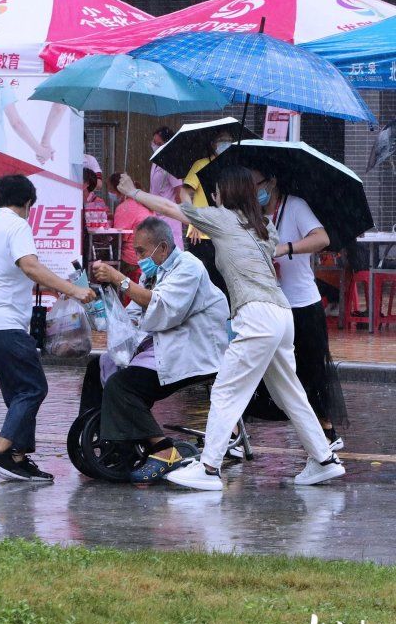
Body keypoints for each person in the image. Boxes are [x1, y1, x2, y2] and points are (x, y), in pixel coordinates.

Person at [116, 166, 345, 491]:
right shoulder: (264, 226)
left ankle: (208, 468)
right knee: (290, 393)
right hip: (281, 315)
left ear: (229, 194)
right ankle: (324, 460)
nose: (214, 195)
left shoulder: (224, 219)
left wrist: (133, 191)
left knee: (225, 390)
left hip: (256, 316)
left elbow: (172, 209)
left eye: (218, 190)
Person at [0, 174, 95, 482]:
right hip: (5, 325)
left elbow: (25, 269)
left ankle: (18, 457)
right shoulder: (17, 225)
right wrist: (74, 289)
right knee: (33, 388)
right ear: (28, 203)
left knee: (19, 393)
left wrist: (61, 287)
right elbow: (30, 266)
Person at [91, 216, 229, 483]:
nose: (138, 256)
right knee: (99, 367)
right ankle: (107, 436)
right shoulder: (151, 273)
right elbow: (135, 312)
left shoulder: (189, 267)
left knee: (123, 386)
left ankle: (163, 449)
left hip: (191, 351)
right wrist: (108, 308)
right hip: (160, 347)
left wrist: (121, 281)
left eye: (142, 251)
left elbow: (164, 308)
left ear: (163, 248)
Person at [250, 168, 349, 450]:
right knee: (256, 367)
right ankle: (235, 430)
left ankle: (326, 432)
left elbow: (321, 238)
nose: (255, 191)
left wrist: (285, 249)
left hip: (302, 303)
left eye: (257, 184)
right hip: (269, 304)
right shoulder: (251, 213)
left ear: (272, 180)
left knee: (311, 369)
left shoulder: (294, 206)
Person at [180, 129, 234, 294]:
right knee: (202, 281)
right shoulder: (201, 164)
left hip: (225, 232)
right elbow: (184, 193)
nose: (225, 144)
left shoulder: (233, 168)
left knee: (224, 282)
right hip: (200, 235)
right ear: (213, 145)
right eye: (222, 141)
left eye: (229, 141)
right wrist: (195, 219)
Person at [108, 172, 152, 281]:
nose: (109, 193)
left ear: (119, 190)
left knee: (104, 269)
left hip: (133, 260)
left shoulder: (124, 207)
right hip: (151, 257)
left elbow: (119, 238)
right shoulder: (146, 203)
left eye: (110, 190)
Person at [149, 126, 184, 251]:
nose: (155, 146)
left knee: (171, 249)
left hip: (169, 216)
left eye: (159, 144)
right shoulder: (155, 162)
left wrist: (181, 213)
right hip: (156, 214)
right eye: (154, 142)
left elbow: (179, 191)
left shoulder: (172, 163)